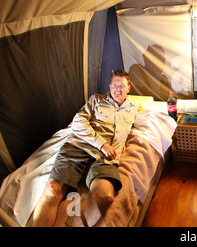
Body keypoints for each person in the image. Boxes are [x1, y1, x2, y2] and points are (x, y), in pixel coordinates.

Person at [29, 69, 138, 227]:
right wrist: (102, 144)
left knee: (106, 196)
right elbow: (78, 123)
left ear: (128, 88)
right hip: (79, 147)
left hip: (104, 159)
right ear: (109, 86)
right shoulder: (96, 100)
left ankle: (68, 222)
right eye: (114, 85)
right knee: (52, 191)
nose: (117, 89)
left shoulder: (134, 107)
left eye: (121, 85)